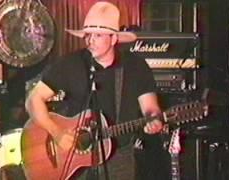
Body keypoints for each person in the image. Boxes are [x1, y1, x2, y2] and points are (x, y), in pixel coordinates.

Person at [25, 2, 169, 180]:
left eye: (98, 35)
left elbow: (150, 108)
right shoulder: (70, 63)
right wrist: (56, 132)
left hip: (120, 158)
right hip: (74, 157)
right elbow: (33, 100)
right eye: (87, 35)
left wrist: (154, 120)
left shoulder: (135, 67)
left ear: (114, 39)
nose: (90, 41)